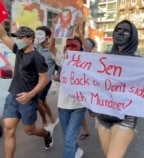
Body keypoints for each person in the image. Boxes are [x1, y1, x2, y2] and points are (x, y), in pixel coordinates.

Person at [95, 19, 144, 158]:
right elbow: (89, 82)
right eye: (118, 30)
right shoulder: (103, 58)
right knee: (108, 154)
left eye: (126, 31)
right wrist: (70, 60)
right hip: (103, 116)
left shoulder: (140, 63)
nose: (120, 33)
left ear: (133, 37)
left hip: (126, 117)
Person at [0, 25, 54, 158]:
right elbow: (3, 35)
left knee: (29, 130)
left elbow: (44, 79)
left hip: (28, 100)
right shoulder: (18, 50)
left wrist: (30, 95)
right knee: (8, 128)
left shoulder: (37, 57)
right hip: (13, 95)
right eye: (16, 37)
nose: (17, 40)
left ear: (30, 39)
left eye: (20, 37)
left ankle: (47, 134)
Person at [51, 18, 93, 158]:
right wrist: (53, 30)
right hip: (63, 105)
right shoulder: (63, 60)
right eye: (68, 46)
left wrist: (80, 33)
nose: (71, 49)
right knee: (67, 137)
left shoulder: (85, 61)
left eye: (74, 46)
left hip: (78, 105)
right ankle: (77, 150)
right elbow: (51, 47)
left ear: (80, 49)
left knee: (69, 139)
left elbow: (90, 51)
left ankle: (71, 152)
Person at [35, 26, 59, 128]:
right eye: (37, 34)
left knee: (38, 102)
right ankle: (53, 118)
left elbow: (60, 64)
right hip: (36, 79)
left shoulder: (52, 50)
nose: (37, 36)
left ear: (48, 36)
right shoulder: (35, 47)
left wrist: (58, 74)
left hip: (46, 80)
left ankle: (44, 121)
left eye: (40, 34)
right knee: (43, 102)